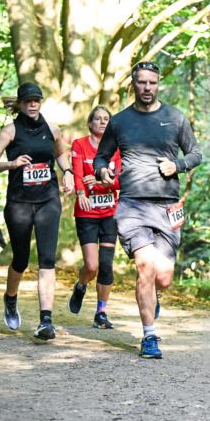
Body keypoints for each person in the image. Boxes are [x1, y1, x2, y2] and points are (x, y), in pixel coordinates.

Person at [93, 61, 202, 358]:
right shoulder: (120, 121)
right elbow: (101, 158)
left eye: (152, 83)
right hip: (132, 205)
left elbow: (195, 154)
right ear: (134, 84)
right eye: (142, 83)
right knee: (145, 266)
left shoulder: (175, 118)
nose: (147, 88)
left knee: (163, 277)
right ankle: (149, 336)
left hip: (167, 206)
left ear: (159, 83)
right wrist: (103, 172)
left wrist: (176, 164)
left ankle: (150, 297)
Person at [0, 82, 75, 340]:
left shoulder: (52, 128)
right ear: (21, 104)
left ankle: (46, 320)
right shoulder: (9, 131)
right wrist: (12, 163)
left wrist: (67, 172)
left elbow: (60, 154)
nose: (33, 104)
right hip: (19, 203)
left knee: (47, 259)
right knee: (21, 260)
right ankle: (10, 298)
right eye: (28, 101)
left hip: (48, 199)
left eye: (37, 100)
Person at [68, 105, 121, 329]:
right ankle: (81, 285)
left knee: (106, 265)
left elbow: (120, 180)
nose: (102, 122)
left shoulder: (117, 149)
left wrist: (99, 182)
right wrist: (81, 192)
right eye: (97, 119)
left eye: (106, 119)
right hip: (87, 212)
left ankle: (101, 312)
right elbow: (78, 174)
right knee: (91, 266)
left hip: (110, 213)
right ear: (90, 123)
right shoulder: (80, 145)